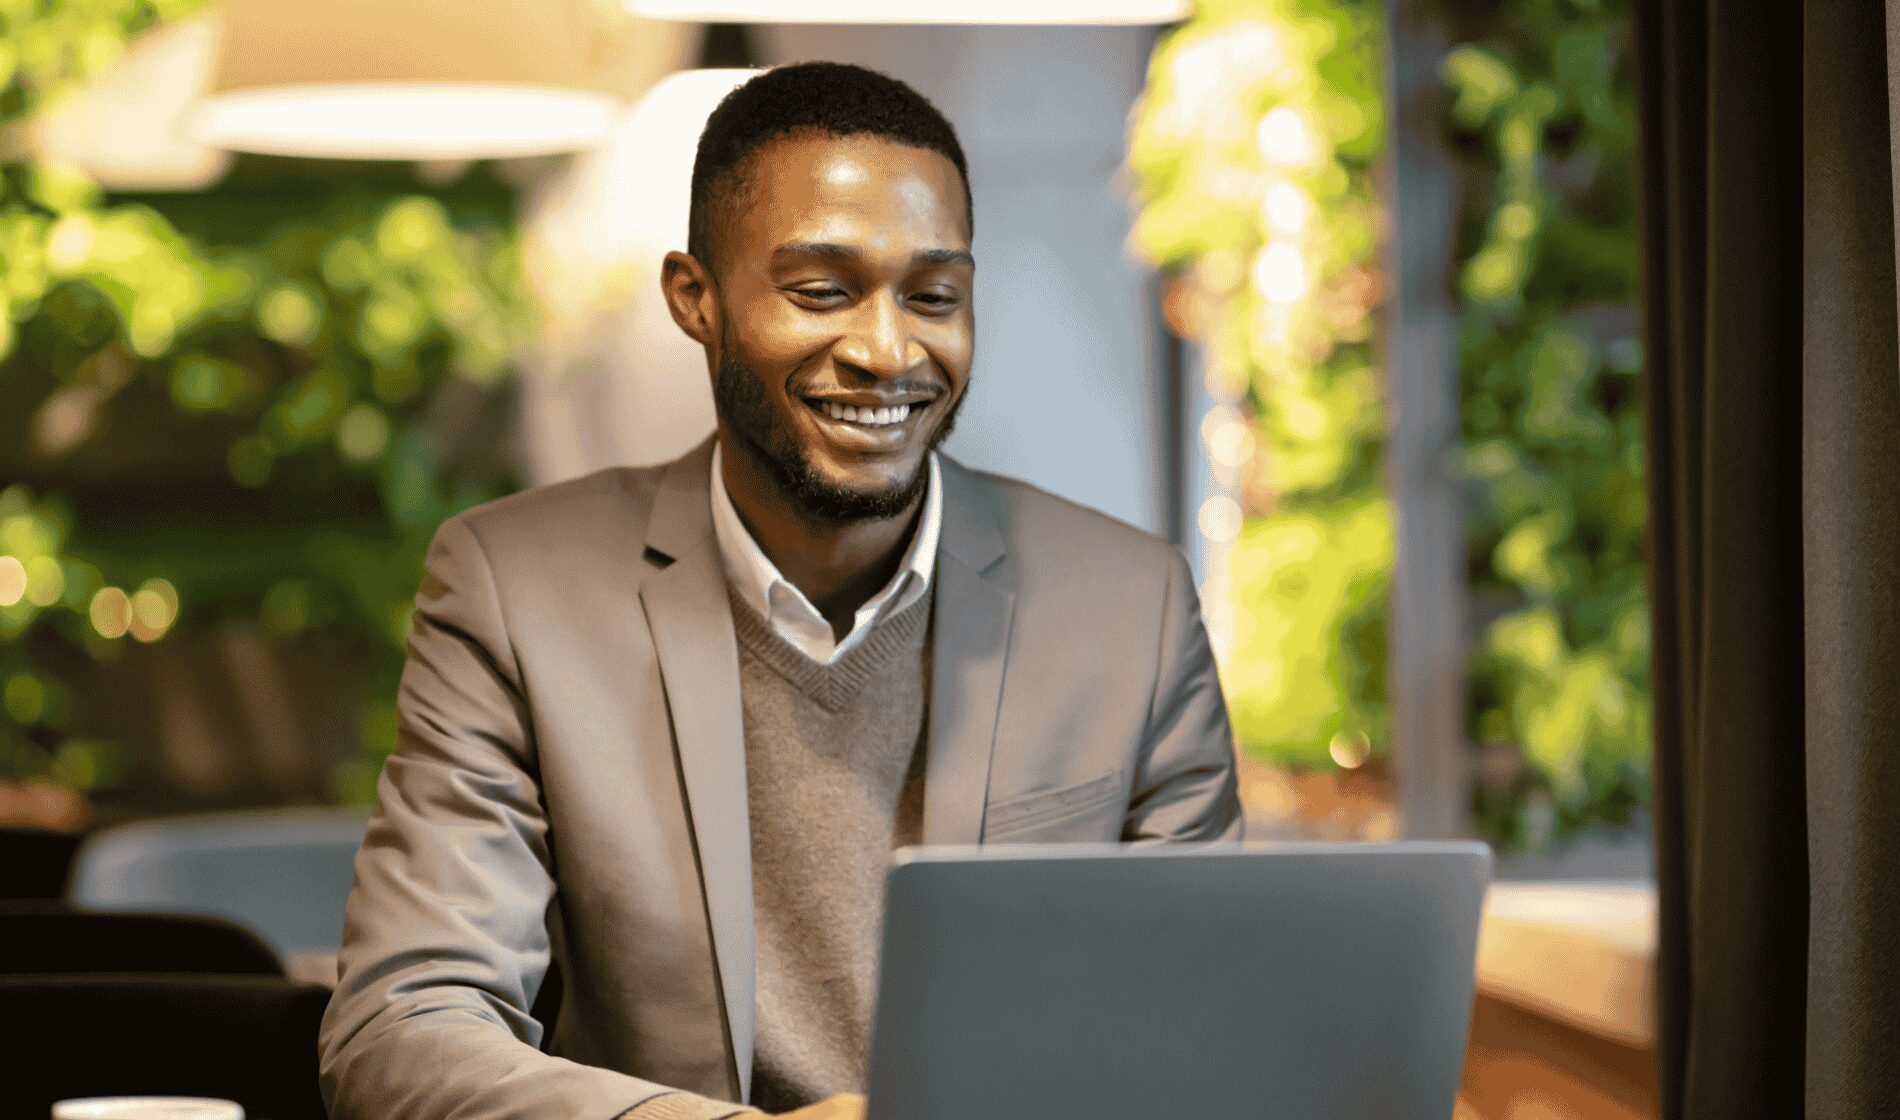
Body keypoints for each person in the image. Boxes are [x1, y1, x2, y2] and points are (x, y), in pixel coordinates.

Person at [317, 61, 1243, 1120]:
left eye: (933, 296)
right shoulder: (514, 588)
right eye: (821, 291)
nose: (888, 350)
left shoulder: (1132, 605)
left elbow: (1200, 1025)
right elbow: (402, 1027)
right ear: (694, 301)